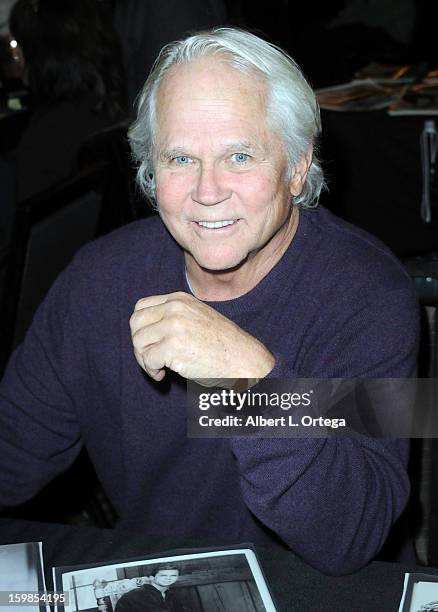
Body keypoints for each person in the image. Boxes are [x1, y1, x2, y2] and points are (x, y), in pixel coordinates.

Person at [0, 27, 419, 576]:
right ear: (151, 172)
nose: (207, 190)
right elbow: (11, 454)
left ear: (296, 167)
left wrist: (250, 383)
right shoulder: (98, 284)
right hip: (160, 582)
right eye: (179, 159)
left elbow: (352, 535)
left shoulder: (371, 296)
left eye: (240, 155)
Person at [7, 0, 126, 200]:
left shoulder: (44, 140)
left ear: (42, 57)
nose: (17, 57)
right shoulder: (111, 108)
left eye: (21, 47)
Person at [114, 566, 184, 612]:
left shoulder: (171, 595)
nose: (168, 578)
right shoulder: (138, 594)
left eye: (173, 575)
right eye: (163, 575)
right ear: (152, 578)